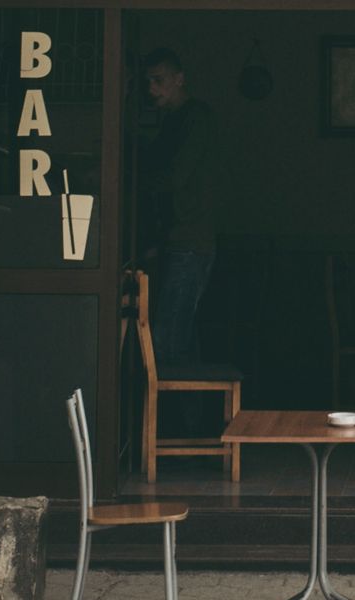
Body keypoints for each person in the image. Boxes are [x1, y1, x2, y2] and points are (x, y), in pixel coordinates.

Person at [143, 47, 217, 366]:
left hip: (188, 242)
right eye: (148, 82)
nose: (151, 89)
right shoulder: (173, 122)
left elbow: (176, 176)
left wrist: (127, 181)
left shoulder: (195, 119)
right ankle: (189, 417)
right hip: (176, 242)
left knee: (169, 339)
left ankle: (172, 417)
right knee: (179, 337)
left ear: (179, 79)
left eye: (158, 80)